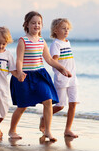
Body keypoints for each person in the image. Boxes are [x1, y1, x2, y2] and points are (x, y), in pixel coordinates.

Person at [9, 11, 71, 142]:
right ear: (27, 24)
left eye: (39, 23)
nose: (36, 25)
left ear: (42, 25)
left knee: (48, 100)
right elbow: (19, 60)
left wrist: (62, 68)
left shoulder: (42, 41)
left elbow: (48, 59)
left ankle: (48, 130)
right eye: (33, 23)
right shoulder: (23, 40)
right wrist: (19, 72)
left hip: (40, 75)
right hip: (25, 75)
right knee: (22, 106)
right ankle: (12, 130)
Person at [43, 18, 79, 138]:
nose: (66, 30)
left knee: (73, 103)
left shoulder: (67, 42)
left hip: (73, 78)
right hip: (62, 79)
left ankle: (68, 129)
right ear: (55, 30)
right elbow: (54, 61)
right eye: (63, 28)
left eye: (67, 28)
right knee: (60, 105)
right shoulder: (56, 44)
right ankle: (44, 117)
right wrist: (62, 71)